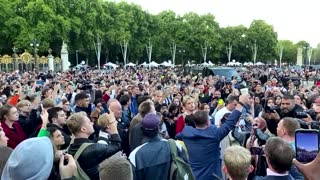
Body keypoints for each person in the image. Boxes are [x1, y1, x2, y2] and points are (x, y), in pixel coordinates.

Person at [176, 101, 243, 179]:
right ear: (208, 123)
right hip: (212, 176)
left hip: (194, 176)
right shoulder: (215, 134)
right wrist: (241, 104)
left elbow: (177, 136)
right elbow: (229, 123)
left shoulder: (186, 132)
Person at [129, 113, 188, 180]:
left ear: (142, 130)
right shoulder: (175, 145)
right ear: (159, 128)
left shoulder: (135, 154)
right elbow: (186, 169)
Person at [67, 111, 121, 180]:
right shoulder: (93, 149)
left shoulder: (70, 148)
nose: (92, 123)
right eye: (89, 122)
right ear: (83, 129)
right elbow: (117, 145)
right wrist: (113, 126)